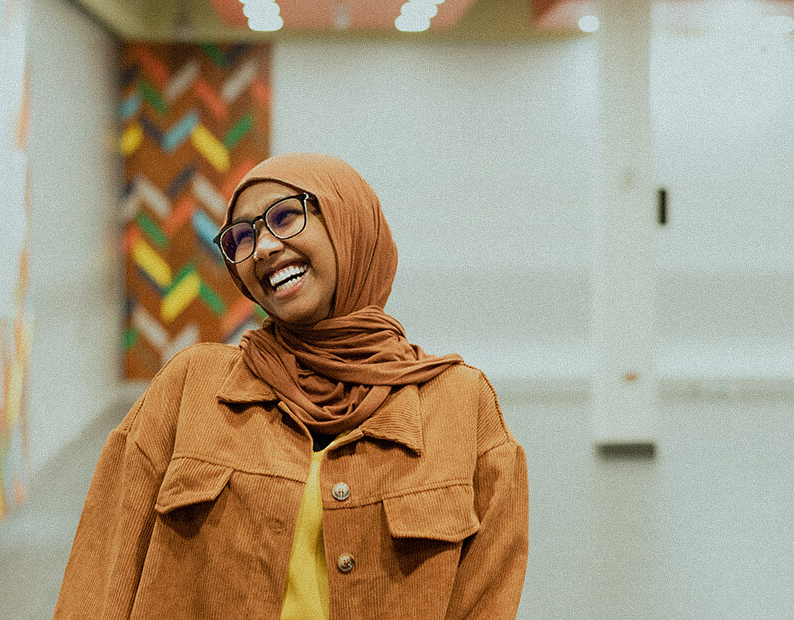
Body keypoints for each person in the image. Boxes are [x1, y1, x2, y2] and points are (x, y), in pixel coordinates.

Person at [53, 152, 528, 620]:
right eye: (242, 237)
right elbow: (100, 577)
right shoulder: (188, 388)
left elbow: (486, 598)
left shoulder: (461, 406)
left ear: (349, 225)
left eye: (284, 216)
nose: (261, 248)